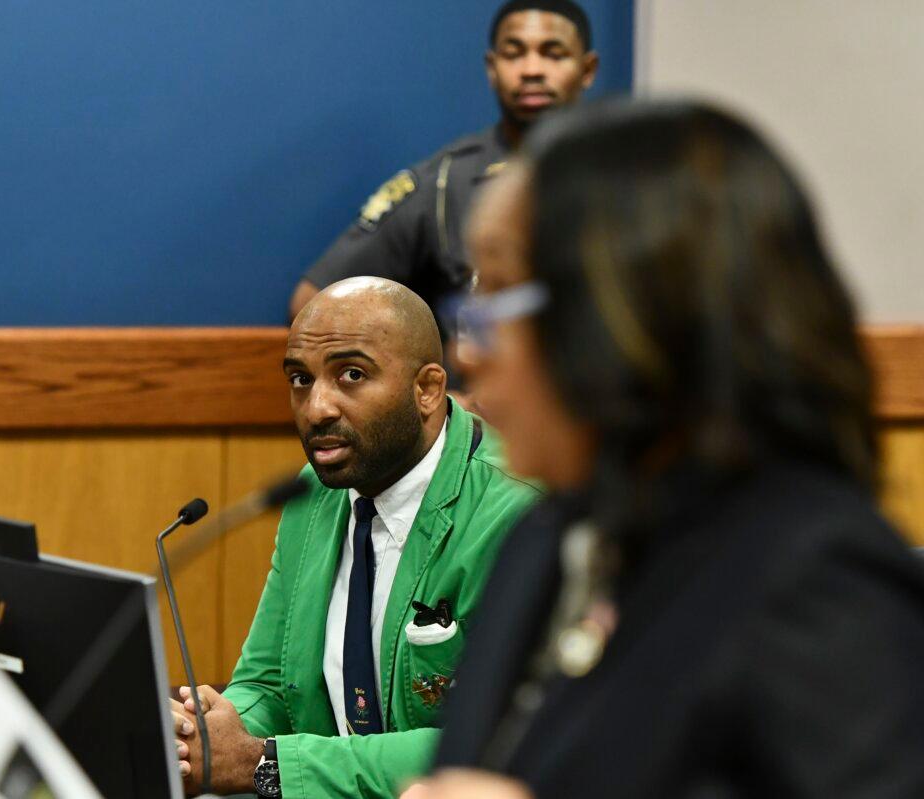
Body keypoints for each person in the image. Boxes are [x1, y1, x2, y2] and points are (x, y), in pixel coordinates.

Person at [408, 100, 924, 798]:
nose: (468, 347)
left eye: (499, 296)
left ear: (627, 314)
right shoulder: (549, 531)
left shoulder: (816, 576)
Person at [169, 277, 540, 798]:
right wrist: (202, 734)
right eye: (300, 379)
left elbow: (487, 745)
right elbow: (269, 683)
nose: (317, 408)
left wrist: (266, 763)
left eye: (351, 375)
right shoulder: (314, 492)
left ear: (428, 389)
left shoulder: (518, 511)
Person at [288, 0, 600, 323]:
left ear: (587, 69)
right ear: (492, 68)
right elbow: (312, 303)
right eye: (514, 53)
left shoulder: (629, 175)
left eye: (553, 53)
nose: (532, 69)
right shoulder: (443, 182)